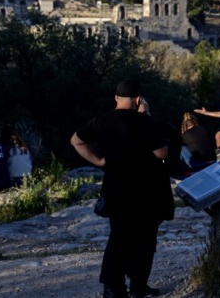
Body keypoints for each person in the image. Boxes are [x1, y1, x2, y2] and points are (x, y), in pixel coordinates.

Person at [71, 78, 174, 298]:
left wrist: (99, 161)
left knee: (118, 237)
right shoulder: (143, 121)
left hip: (116, 187)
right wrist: (147, 119)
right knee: (145, 239)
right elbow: (161, 153)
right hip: (146, 190)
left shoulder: (101, 121)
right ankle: (137, 287)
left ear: (116, 98)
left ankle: (113, 287)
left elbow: (76, 141)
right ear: (138, 99)